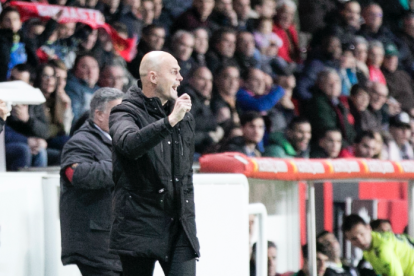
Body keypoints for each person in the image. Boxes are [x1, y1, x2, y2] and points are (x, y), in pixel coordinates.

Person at [109, 51, 200, 275]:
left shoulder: (183, 116)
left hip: (179, 226)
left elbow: (185, 176)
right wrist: (169, 122)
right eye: (174, 72)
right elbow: (129, 145)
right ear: (153, 77)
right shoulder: (124, 111)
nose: (180, 78)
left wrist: (189, 221)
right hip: (139, 226)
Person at [60, 88, 123, 276]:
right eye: (118, 112)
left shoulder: (122, 141)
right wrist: (122, 166)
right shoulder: (80, 142)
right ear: (99, 115)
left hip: (119, 245)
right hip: (96, 245)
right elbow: (77, 175)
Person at [343, 214, 414, 276]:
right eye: (354, 239)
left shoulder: (382, 248)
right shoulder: (368, 250)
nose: (360, 241)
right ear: (348, 240)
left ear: (368, 228)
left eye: (362, 234)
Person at [178, 66, 223, 155]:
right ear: (191, 80)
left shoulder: (202, 99)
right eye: (202, 79)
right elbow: (188, 125)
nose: (207, 84)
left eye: (210, 80)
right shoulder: (187, 97)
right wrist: (210, 132)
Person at [66, 54, 100, 124]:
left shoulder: (99, 90)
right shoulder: (72, 88)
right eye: (85, 67)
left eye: (94, 67)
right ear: (75, 70)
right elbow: (75, 119)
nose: (90, 71)